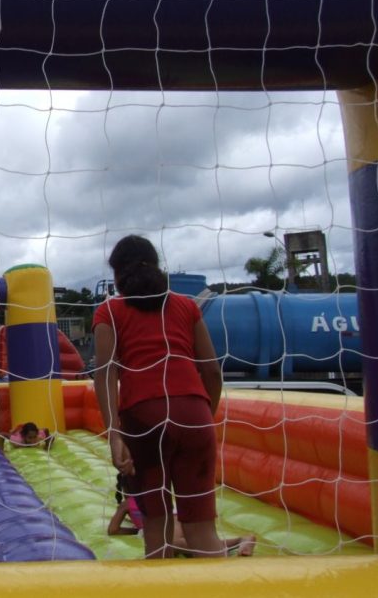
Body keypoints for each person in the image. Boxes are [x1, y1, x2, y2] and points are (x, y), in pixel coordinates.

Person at [93, 234, 225, 559]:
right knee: (202, 530)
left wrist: (114, 434)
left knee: (156, 527)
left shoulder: (110, 311)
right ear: (156, 266)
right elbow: (212, 372)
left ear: (118, 274)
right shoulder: (186, 306)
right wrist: (204, 415)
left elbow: (105, 373)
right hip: (194, 411)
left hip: (145, 416)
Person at [107, 475, 256, 556]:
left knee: (172, 542)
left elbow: (112, 530)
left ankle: (218, 550)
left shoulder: (126, 504)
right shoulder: (154, 494)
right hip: (176, 516)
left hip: (168, 521)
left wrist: (136, 531)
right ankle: (239, 540)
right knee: (190, 541)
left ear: (124, 489)